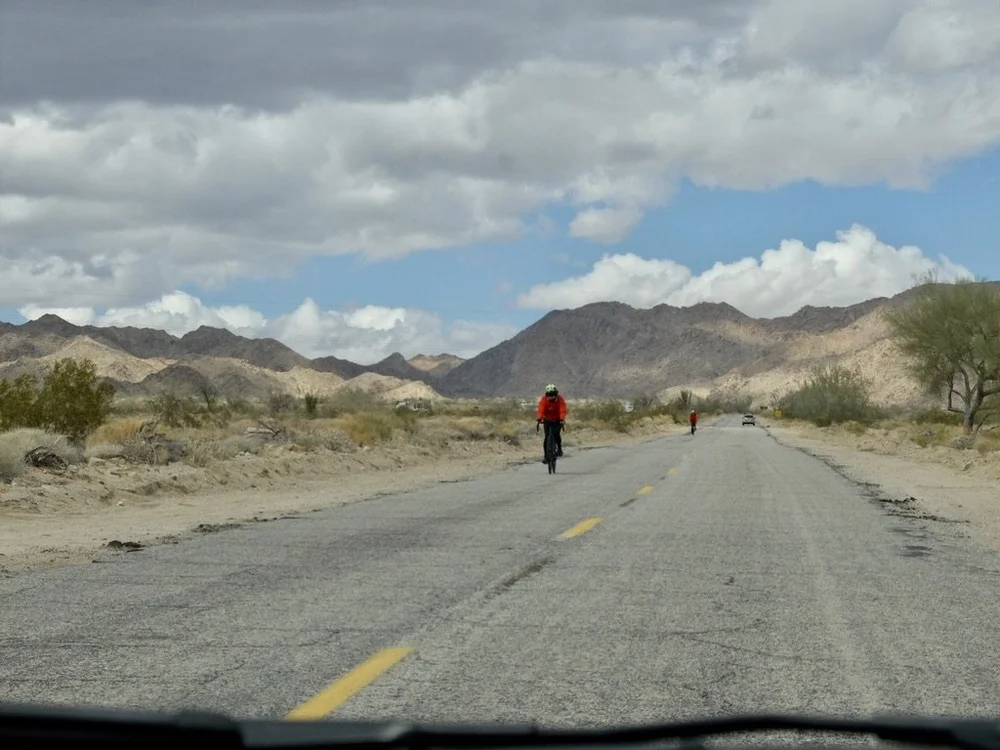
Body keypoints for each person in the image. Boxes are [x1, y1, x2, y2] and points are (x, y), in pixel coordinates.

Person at [536, 383, 566, 460]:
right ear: (547, 395)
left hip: (557, 419)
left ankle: (559, 449)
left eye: (553, 395)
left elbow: (562, 410)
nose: (551, 397)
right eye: (549, 395)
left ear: (556, 394)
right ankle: (546, 456)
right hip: (547, 420)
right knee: (546, 437)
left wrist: (562, 418)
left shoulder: (560, 399)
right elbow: (541, 410)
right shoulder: (544, 400)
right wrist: (539, 418)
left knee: (556, 434)